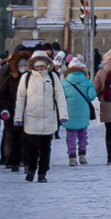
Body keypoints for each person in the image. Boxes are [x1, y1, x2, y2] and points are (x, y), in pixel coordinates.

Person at [14, 50, 68, 182]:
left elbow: (60, 96)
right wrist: (18, 117)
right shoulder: (26, 78)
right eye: (37, 66)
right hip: (31, 116)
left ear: (47, 65)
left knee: (46, 147)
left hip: (49, 115)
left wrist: (63, 114)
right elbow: (20, 98)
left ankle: (42, 173)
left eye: (42, 66)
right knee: (32, 146)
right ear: (33, 66)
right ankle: (31, 169)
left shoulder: (53, 77)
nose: (40, 69)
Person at [0, 48, 30, 170]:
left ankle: (15, 159)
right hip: (10, 109)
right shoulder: (10, 76)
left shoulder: (29, 78)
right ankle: (12, 159)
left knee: (19, 136)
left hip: (23, 110)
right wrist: (0, 107)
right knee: (13, 135)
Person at [61, 56, 97, 166]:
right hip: (83, 111)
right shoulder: (87, 82)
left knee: (71, 135)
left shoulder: (64, 83)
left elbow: (60, 98)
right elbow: (91, 96)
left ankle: (72, 156)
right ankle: (82, 155)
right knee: (82, 134)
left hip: (69, 111)